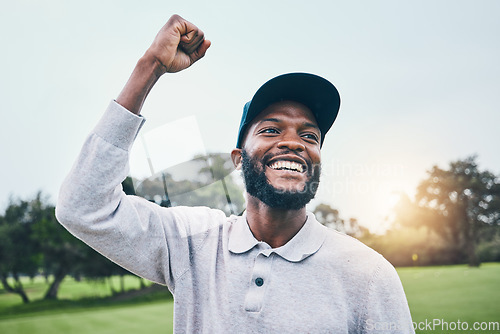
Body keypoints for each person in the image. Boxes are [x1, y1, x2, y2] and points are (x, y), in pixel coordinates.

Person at [56, 14, 415, 333]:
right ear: (238, 159)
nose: (294, 143)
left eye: (309, 136)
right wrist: (149, 66)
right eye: (271, 130)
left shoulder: (368, 275)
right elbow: (83, 207)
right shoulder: (193, 244)